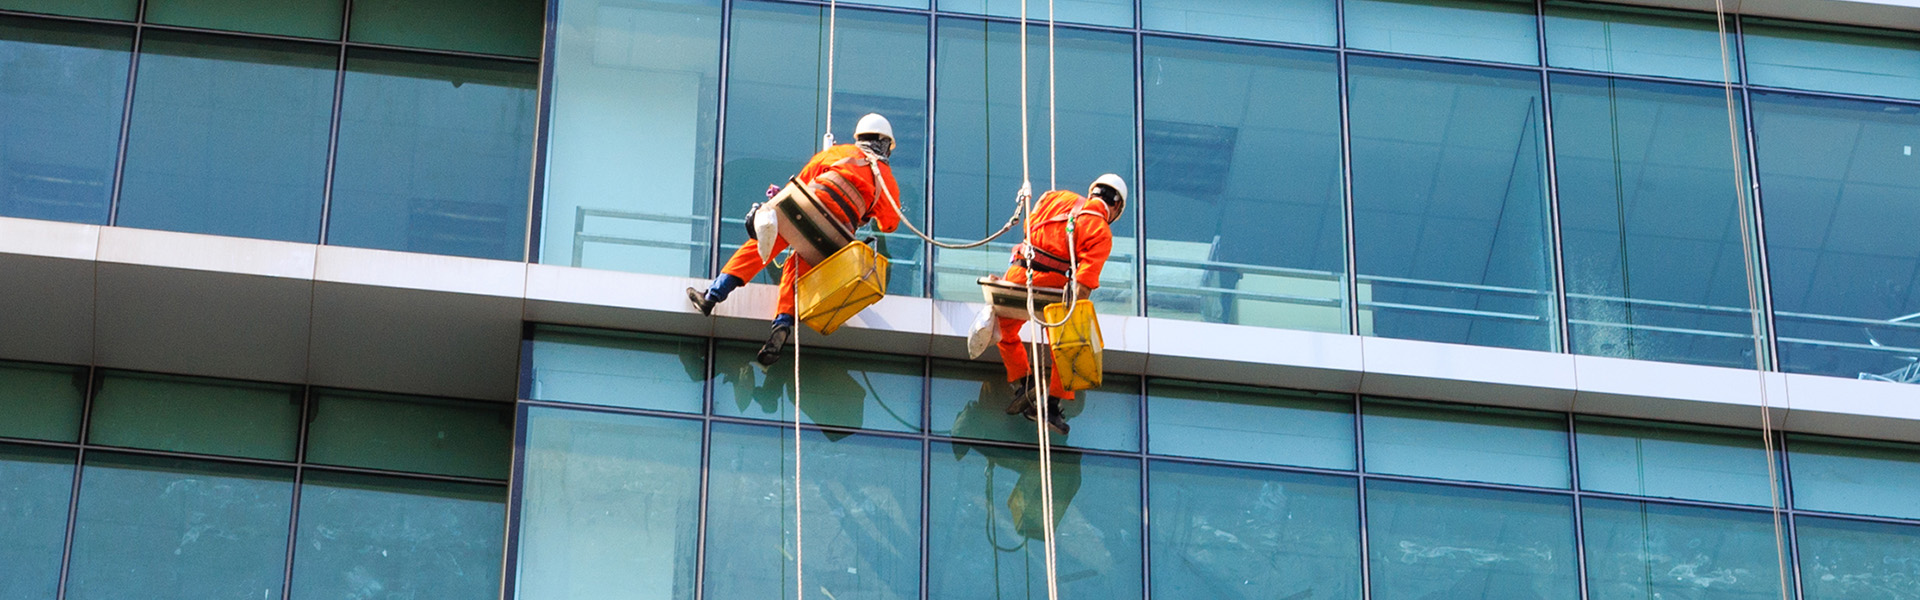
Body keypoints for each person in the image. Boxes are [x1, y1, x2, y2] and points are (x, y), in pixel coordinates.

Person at [686, 113, 904, 366]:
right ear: (885, 143)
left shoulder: (839, 152)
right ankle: (782, 324)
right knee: (797, 267)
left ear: (861, 137)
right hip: (838, 235)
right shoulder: (887, 180)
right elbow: (890, 224)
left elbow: (806, 178)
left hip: (810, 207)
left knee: (763, 244)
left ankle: (713, 295)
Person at [995, 174, 1127, 434]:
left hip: (1019, 275)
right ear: (1116, 207)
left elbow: (1028, 229)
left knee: (1005, 331)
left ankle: (1024, 383)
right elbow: (1084, 282)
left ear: (1093, 192)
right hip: (1051, 288)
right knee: (1069, 351)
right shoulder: (1100, 229)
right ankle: (1051, 407)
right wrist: (1072, 316)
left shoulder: (1055, 198)